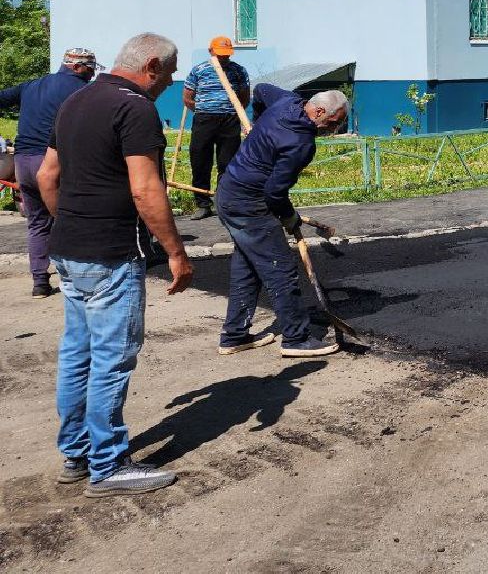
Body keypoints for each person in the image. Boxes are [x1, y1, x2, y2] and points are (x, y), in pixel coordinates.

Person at [36, 33, 193, 497]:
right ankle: (108, 466)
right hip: (110, 253)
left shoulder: (75, 102)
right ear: (150, 65)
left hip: (68, 249)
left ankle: (76, 454)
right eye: (169, 71)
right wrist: (176, 253)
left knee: (77, 354)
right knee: (110, 359)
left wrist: (69, 221)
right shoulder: (135, 109)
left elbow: (48, 176)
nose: (170, 81)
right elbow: (146, 191)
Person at [215, 84, 350, 358]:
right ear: (320, 111)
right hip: (250, 205)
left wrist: (257, 120)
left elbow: (262, 89)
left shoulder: (286, 102)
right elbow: (274, 192)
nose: (333, 129)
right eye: (334, 123)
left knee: (247, 265)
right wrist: (289, 217)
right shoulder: (301, 143)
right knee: (281, 269)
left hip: (228, 192)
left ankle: (234, 336)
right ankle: (296, 338)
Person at [0, 49, 99, 297]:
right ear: (77, 67)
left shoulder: (32, 85)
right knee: (72, 217)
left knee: (37, 223)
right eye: (91, 68)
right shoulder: (83, 91)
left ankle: (40, 283)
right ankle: (80, 277)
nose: (93, 73)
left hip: (23, 162)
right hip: (55, 162)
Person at [182, 36, 251, 219]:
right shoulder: (200, 70)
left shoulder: (238, 71)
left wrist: (234, 112)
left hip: (229, 120)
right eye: (220, 54)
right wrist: (205, 110)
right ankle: (203, 204)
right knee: (200, 160)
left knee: (227, 163)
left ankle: (224, 202)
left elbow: (245, 97)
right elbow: (188, 97)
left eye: (226, 55)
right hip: (204, 120)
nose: (223, 58)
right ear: (211, 51)